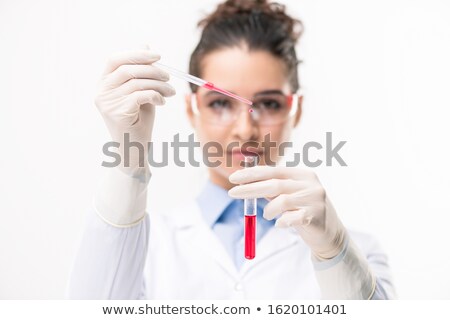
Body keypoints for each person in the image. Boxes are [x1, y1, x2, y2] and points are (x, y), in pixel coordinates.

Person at [67, 0, 395, 299]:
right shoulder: (151, 246)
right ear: (192, 108)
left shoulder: (359, 251)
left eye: (268, 103)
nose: (245, 129)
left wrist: (333, 252)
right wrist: (129, 162)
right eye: (221, 102)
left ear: (296, 109)